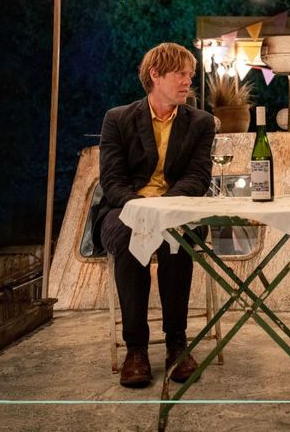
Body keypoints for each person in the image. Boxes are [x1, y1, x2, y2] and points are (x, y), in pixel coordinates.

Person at [94, 42, 215, 388]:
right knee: (133, 239)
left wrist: (164, 209)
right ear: (155, 75)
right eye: (180, 74)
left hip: (176, 208)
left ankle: (177, 343)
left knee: (176, 239)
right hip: (126, 209)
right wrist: (143, 210)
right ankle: (136, 349)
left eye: (190, 75)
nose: (187, 82)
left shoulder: (202, 122)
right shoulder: (117, 119)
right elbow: (112, 180)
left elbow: (198, 177)